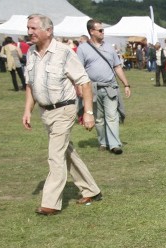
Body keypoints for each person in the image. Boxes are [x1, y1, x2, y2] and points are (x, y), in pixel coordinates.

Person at [22, 14, 101, 216]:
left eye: (33, 28)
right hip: (45, 112)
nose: (29, 32)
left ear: (48, 31)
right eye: (28, 28)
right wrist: (27, 110)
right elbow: (30, 85)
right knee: (66, 151)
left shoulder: (64, 53)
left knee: (55, 155)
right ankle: (91, 190)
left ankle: (50, 202)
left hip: (64, 110)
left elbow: (84, 82)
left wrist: (89, 112)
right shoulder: (30, 53)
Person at [77, 19, 131, 154]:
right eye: (100, 30)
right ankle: (103, 141)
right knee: (99, 118)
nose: (103, 32)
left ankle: (114, 144)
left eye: (103, 30)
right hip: (92, 89)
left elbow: (117, 67)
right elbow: (79, 70)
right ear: (91, 32)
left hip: (110, 87)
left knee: (112, 115)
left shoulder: (109, 48)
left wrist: (126, 84)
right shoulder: (83, 49)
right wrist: (79, 88)